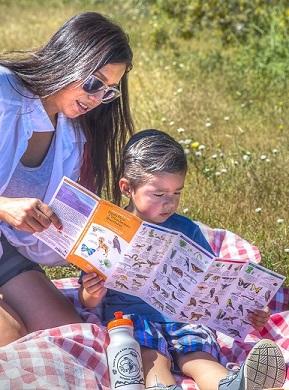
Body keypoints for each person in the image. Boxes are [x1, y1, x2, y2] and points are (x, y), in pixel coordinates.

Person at [79, 129, 286, 390]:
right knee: (152, 358)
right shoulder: (107, 231)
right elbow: (87, 301)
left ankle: (232, 385)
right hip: (133, 317)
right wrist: (91, 291)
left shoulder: (186, 230)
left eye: (177, 193)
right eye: (159, 194)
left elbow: (213, 281)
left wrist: (248, 310)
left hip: (185, 318)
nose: (170, 203)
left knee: (200, 357)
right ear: (127, 188)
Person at [0, 11, 134, 346]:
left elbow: (48, 238)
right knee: (11, 337)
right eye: (93, 83)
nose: (96, 98)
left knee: (73, 340)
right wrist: (3, 207)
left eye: (108, 91)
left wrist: (99, 249)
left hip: (6, 249)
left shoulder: (74, 133)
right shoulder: (3, 91)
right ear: (69, 59)